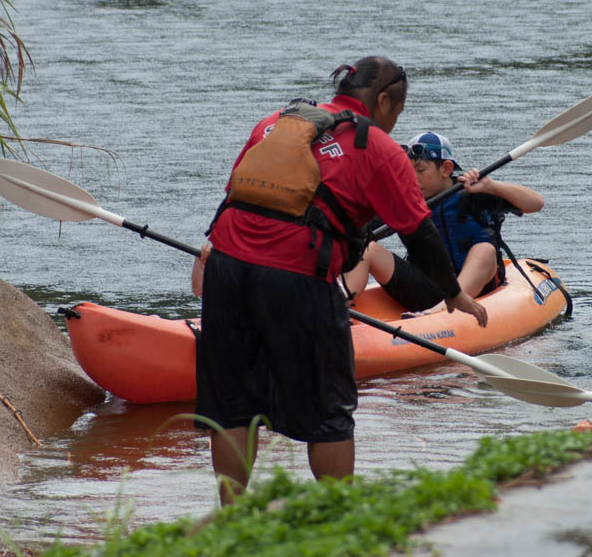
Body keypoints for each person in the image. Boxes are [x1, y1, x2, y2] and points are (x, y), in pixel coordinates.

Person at [194, 57, 487, 506]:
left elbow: (236, 192)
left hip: (227, 271)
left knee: (232, 404)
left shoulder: (275, 123)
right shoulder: (377, 147)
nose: (394, 125)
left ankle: (233, 522)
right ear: (383, 100)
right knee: (330, 412)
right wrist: (455, 294)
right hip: (295, 280)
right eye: (397, 113)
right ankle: (338, 521)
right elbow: (420, 235)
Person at [341, 131, 544, 314]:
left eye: (420, 171)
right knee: (367, 248)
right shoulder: (404, 202)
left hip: (475, 289)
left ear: (446, 169)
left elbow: (536, 203)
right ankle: (337, 304)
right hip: (424, 289)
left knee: (485, 249)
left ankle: (440, 311)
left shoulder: (472, 193)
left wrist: (491, 186)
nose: (412, 178)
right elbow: (355, 232)